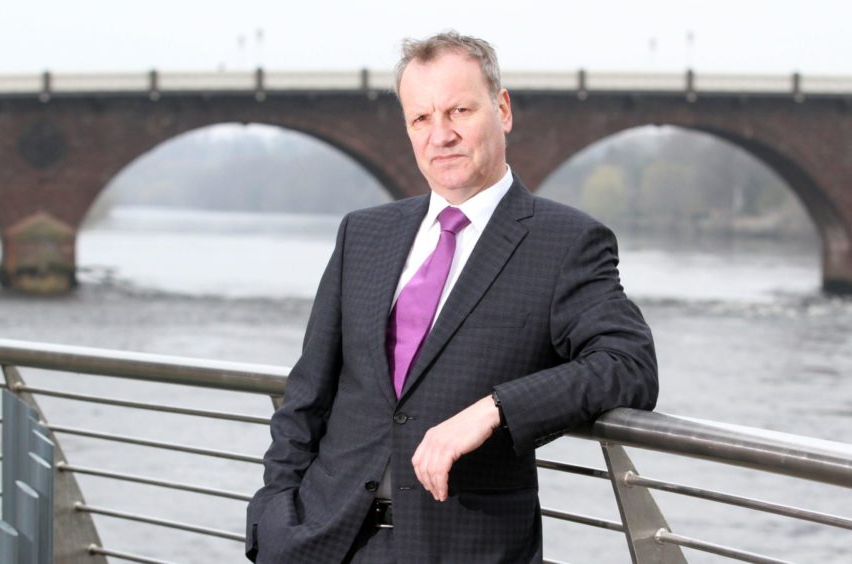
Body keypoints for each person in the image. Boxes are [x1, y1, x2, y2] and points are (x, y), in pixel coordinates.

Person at [246, 31, 657, 563]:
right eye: (421, 118)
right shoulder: (363, 235)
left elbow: (629, 365)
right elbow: (307, 396)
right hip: (322, 542)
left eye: (459, 110)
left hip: (463, 549)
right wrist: (274, 514)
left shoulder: (566, 243)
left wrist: (494, 410)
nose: (440, 135)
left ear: (502, 109)